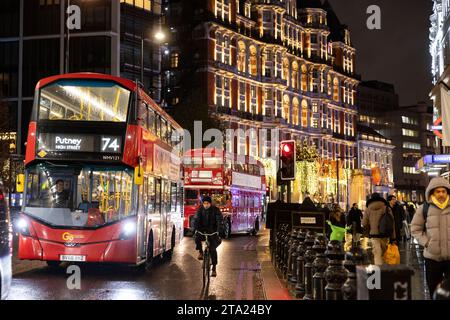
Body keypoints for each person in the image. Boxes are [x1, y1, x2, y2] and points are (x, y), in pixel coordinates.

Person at [411, 177, 450, 296]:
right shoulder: (424, 208)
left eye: (443, 191)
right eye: (438, 191)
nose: (441, 194)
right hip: (432, 258)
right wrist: (427, 243)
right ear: (432, 192)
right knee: (433, 289)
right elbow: (415, 228)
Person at [192, 195, 223, 277]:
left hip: (213, 232)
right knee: (196, 237)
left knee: (212, 249)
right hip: (202, 230)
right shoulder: (200, 210)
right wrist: (194, 229)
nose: (205, 205)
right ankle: (200, 252)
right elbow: (195, 220)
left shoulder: (216, 210)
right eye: (204, 203)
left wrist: (219, 231)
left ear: (210, 203)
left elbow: (220, 221)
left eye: (207, 203)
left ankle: (214, 268)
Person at [362, 193, 396, 265]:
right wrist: (393, 238)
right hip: (385, 235)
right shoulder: (386, 208)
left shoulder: (368, 209)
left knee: (377, 254)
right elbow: (392, 224)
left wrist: (368, 232)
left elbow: (364, 223)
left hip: (374, 235)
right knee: (382, 254)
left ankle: (379, 272)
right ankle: (382, 271)